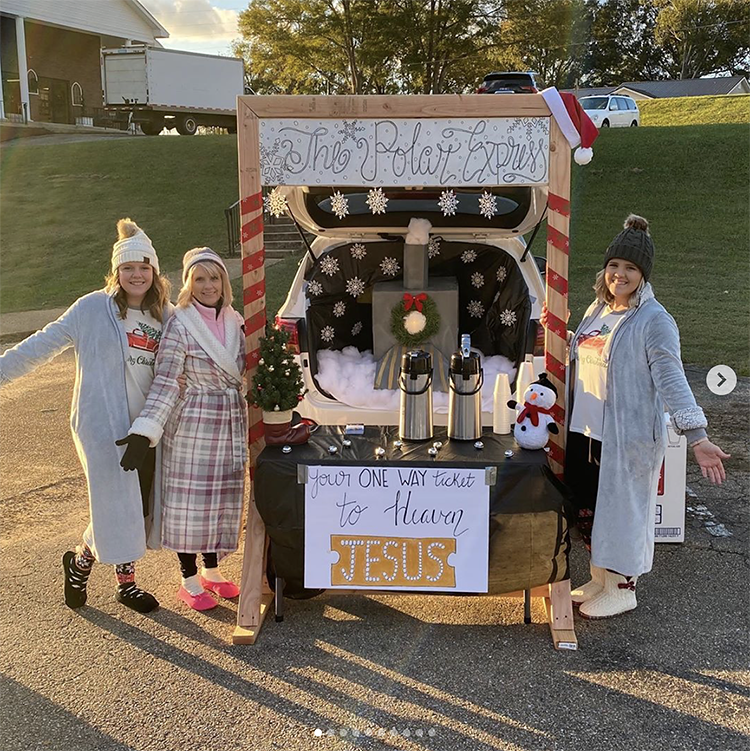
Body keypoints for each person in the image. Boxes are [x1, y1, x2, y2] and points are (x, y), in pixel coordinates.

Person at [541, 214, 729, 619]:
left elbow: (671, 377)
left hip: (626, 437)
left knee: (624, 512)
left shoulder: (654, 320)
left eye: (629, 268)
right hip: (586, 430)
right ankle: (599, 578)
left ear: (642, 275)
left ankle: (624, 587)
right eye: (614, 266)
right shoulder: (598, 310)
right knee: (592, 508)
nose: (619, 275)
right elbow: (588, 358)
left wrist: (697, 435)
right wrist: (560, 333)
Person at [0, 219, 172, 612]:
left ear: (154, 272)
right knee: (116, 505)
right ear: (116, 272)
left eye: (143, 268)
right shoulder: (91, 308)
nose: (136, 275)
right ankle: (125, 585)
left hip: (148, 427)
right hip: (102, 426)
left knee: (138, 506)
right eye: (128, 267)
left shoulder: (163, 315)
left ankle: (78, 562)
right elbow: (41, 344)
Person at [117, 247, 247, 611]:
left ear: (224, 282)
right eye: (200, 278)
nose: (209, 286)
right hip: (192, 424)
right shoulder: (181, 322)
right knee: (190, 504)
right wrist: (146, 430)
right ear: (189, 283)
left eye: (215, 277)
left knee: (219, 501)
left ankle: (212, 571)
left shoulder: (236, 320)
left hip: (228, 423)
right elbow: (167, 380)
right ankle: (188, 580)